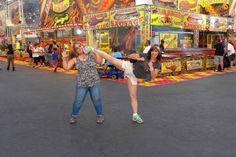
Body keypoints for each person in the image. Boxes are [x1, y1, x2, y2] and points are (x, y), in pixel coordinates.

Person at [91, 45, 161, 124]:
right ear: (150, 51)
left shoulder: (157, 63)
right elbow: (131, 56)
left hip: (133, 77)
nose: (154, 53)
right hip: (129, 67)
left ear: (158, 53)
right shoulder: (145, 56)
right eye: (153, 51)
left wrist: (151, 67)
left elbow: (153, 76)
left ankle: (135, 115)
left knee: (133, 96)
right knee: (111, 59)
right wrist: (138, 58)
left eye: (156, 51)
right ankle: (93, 49)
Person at [61, 42, 105, 124]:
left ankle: (100, 116)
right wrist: (64, 58)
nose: (79, 48)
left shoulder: (91, 55)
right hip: (81, 84)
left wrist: (94, 50)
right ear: (76, 51)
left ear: (83, 46)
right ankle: (73, 116)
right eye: (77, 48)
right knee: (78, 101)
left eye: (80, 46)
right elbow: (66, 68)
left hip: (94, 83)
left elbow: (100, 62)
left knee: (97, 100)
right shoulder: (75, 59)